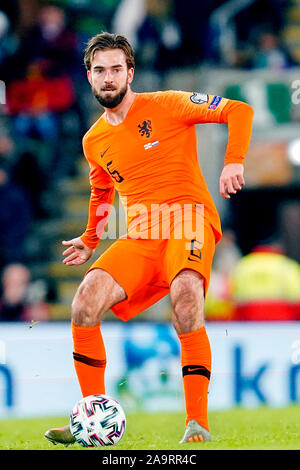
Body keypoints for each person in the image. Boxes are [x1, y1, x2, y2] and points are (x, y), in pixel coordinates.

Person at [44, 32, 254, 445]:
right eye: (100, 70)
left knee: (186, 294)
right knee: (85, 301)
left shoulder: (167, 103)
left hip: (188, 220)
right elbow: (101, 191)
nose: (108, 78)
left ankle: (197, 424)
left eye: (116, 70)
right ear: (89, 76)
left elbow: (240, 110)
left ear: (129, 73)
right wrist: (90, 238)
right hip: (142, 233)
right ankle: (91, 419)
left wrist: (233, 162)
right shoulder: (93, 141)